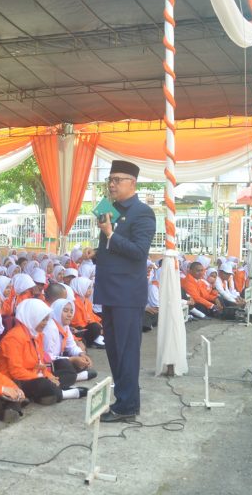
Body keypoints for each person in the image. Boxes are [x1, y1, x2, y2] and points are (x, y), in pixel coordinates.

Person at [93, 160, 156, 423]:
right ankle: (123, 399)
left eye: (118, 179)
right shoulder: (109, 209)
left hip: (128, 294)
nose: (112, 184)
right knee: (114, 350)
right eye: (111, 179)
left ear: (133, 183)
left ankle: (128, 405)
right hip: (109, 290)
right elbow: (110, 250)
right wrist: (96, 253)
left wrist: (110, 234)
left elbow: (139, 252)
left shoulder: (143, 213)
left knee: (127, 350)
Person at [0, 298, 63, 405]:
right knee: (45, 384)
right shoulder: (14, 338)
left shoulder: (37, 334)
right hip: (16, 381)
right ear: (33, 318)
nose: (45, 323)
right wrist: (44, 378)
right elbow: (16, 372)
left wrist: (48, 376)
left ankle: (50, 393)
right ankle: (62, 393)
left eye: (47, 319)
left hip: (33, 376)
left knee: (64, 370)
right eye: (43, 319)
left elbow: (40, 364)